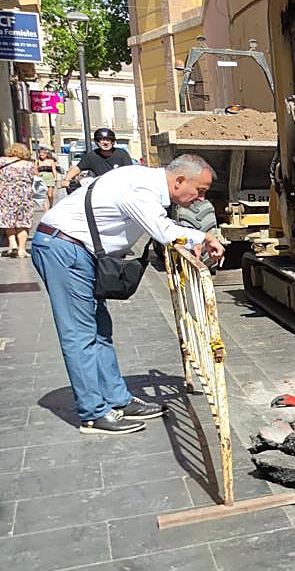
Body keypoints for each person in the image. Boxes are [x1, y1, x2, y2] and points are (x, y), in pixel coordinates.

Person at [32, 154, 226, 435]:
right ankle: (93, 414)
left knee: (100, 330)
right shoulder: (141, 187)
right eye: (200, 190)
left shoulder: (146, 183)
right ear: (180, 181)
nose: (200, 198)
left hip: (75, 249)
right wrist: (204, 237)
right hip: (64, 248)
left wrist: (188, 238)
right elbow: (162, 230)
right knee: (80, 334)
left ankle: (117, 399)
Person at [61, 127, 133, 191]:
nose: (105, 143)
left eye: (108, 140)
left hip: (121, 188)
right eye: (102, 140)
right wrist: (66, 180)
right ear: (97, 142)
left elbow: (131, 171)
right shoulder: (92, 156)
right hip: (101, 190)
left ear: (113, 142)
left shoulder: (122, 153)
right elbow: (77, 168)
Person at [0, 142, 37, 257]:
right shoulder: (29, 164)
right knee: (24, 222)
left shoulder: (2, 161)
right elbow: (33, 178)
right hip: (24, 195)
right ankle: (22, 250)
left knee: (8, 219)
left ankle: (12, 242)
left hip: (6, 194)